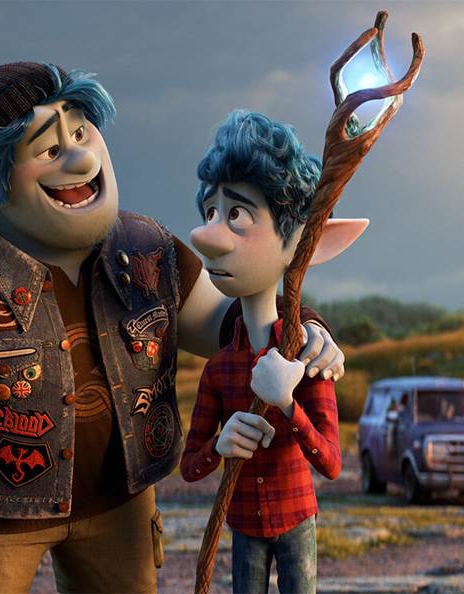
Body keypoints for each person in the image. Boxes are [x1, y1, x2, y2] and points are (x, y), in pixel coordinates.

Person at [0, 63, 346, 594]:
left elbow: (226, 322)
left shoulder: (147, 248)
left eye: (81, 133)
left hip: (120, 505)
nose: (81, 159)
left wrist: (304, 329)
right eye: (48, 150)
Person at [179, 110, 368, 594]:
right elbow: (190, 465)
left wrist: (287, 403)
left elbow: (331, 463)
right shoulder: (219, 369)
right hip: (244, 523)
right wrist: (220, 447)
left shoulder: (307, 361)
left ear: (299, 242)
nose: (207, 235)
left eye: (237, 215)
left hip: (296, 517)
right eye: (211, 213)